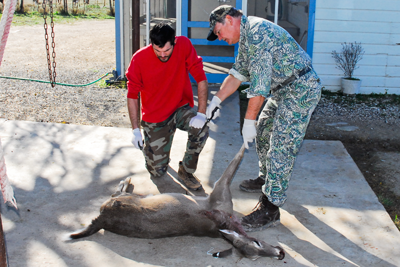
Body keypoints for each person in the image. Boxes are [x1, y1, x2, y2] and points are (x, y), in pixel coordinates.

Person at [206, 5, 322, 231]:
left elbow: (259, 88)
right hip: (283, 89)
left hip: (300, 89)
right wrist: (215, 101)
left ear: (229, 20)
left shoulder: (259, 33)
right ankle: (267, 179)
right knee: (264, 131)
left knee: (281, 144)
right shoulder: (246, 37)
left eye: (219, 32)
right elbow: (237, 74)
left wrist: (247, 122)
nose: (220, 38)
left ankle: (271, 207)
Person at [125, 22, 209, 191]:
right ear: (151, 44)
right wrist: (135, 129)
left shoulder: (184, 44)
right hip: (155, 117)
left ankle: (186, 171)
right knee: (157, 172)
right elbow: (132, 96)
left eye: (167, 51)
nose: (162, 55)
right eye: (158, 51)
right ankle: (154, 151)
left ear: (174, 43)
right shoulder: (139, 59)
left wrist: (201, 113)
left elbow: (201, 78)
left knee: (202, 129)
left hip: (179, 108)